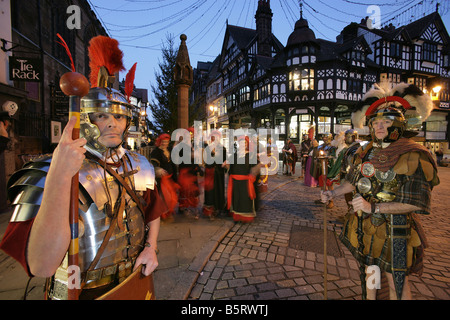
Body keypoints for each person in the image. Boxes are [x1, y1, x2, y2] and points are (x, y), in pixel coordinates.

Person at [0, 35, 165, 300]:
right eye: (101, 115)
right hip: (82, 290)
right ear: (86, 118)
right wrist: (59, 175)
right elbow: (41, 264)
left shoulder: (138, 164)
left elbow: (153, 211)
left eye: (119, 116)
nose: (112, 123)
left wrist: (151, 247)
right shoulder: (49, 170)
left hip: (133, 279)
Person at [320, 82, 439, 300]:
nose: (380, 127)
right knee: (370, 275)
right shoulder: (365, 151)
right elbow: (353, 182)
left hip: (397, 230)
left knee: (397, 285)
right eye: (376, 122)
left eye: (387, 122)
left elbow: (418, 203)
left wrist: (372, 206)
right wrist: (334, 193)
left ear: (399, 124)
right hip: (365, 227)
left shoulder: (414, 154)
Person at [225, 136, 263, 223]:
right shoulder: (234, 155)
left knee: (244, 200)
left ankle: (244, 217)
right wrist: (226, 165)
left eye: (244, 143)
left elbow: (255, 167)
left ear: (247, 144)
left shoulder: (250, 155)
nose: (242, 145)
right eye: (241, 143)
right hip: (235, 182)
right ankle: (237, 217)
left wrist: (259, 166)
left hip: (245, 182)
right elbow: (231, 168)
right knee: (237, 199)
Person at [151, 133, 179, 222]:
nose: (165, 144)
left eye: (166, 142)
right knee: (165, 197)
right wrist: (158, 169)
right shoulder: (156, 152)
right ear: (159, 142)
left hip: (170, 177)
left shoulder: (169, 150)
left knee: (172, 197)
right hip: (162, 179)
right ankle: (163, 214)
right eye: (163, 142)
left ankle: (168, 213)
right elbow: (153, 163)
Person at [203, 131, 227, 219]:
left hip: (218, 174)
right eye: (212, 137)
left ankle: (218, 208)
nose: (214, 139)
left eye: (215, 137)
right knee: (210, 192)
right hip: (210, 173)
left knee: (218, 190)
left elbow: (224, 160)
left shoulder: (223, 148)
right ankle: (210, 210)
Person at [314, 133, 336, 208]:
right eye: (323, 137)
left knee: (329, 184)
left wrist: (328, 157)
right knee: (322, 184)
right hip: (321, 166)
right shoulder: (321, 146)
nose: (324, 139)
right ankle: (323, 199)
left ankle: (331, 201)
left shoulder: (333, 147)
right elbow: (317, 155)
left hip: (329, 167)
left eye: (326, 137)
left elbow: (334, 157)